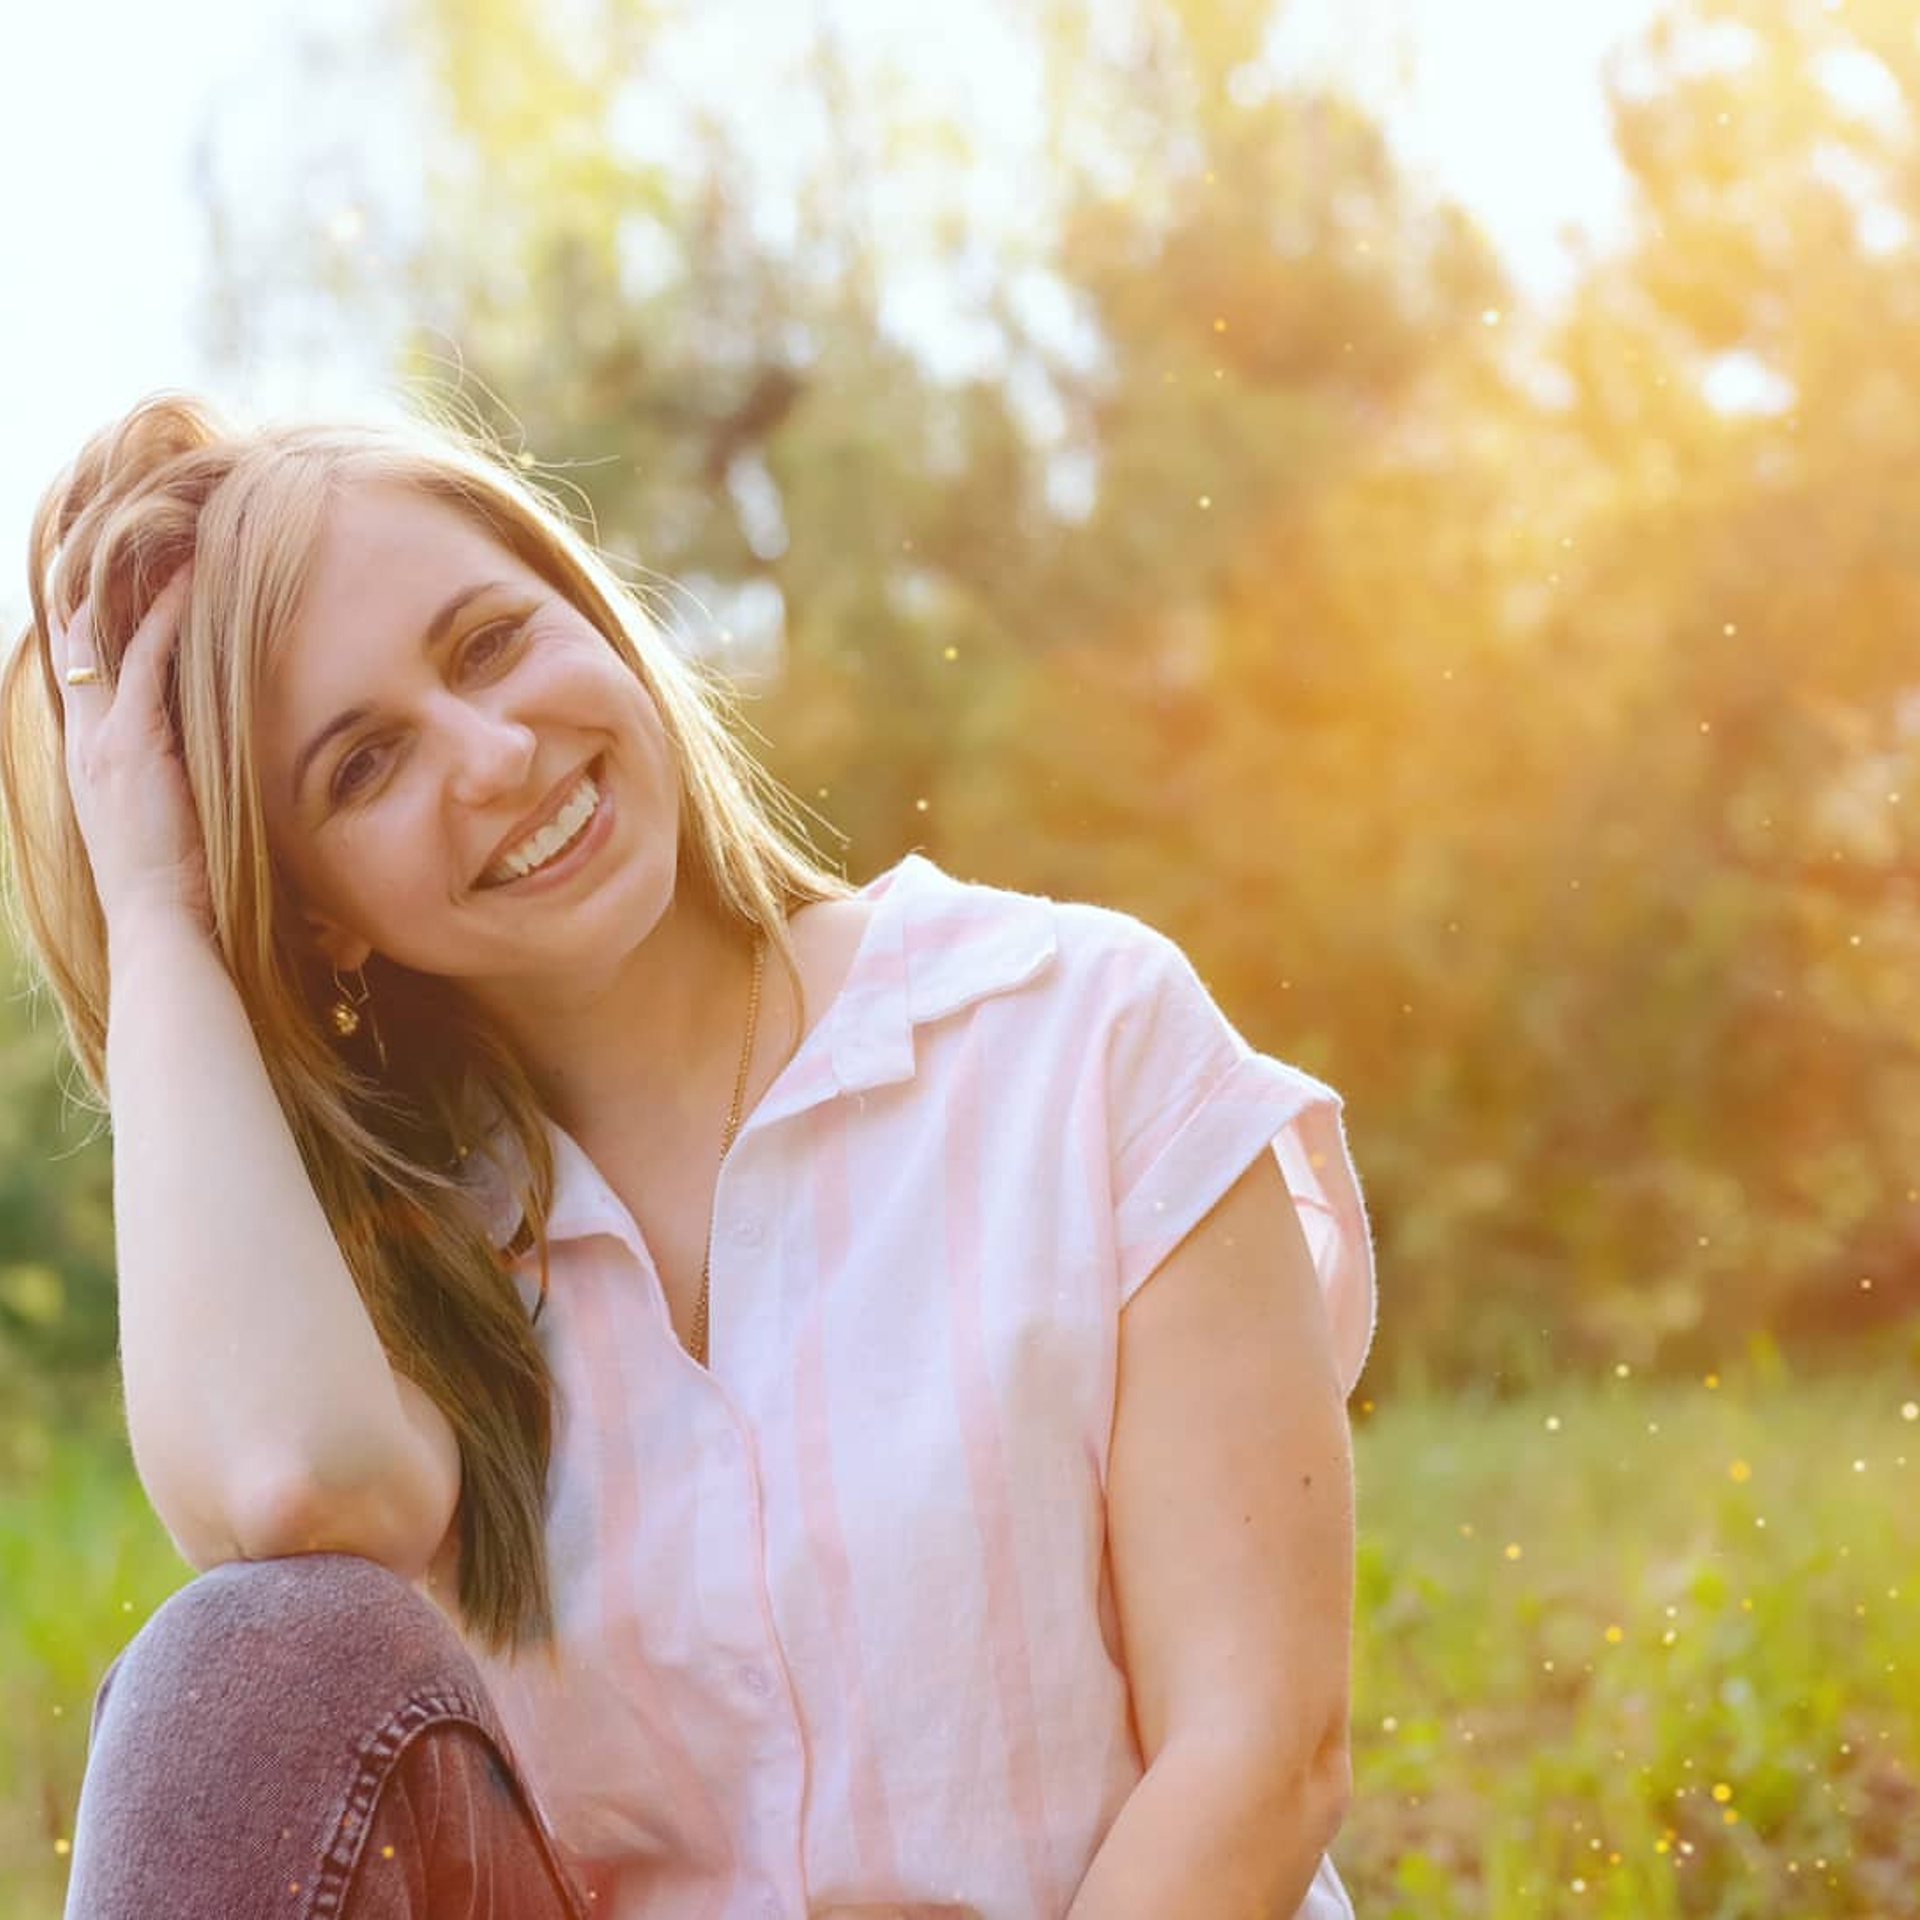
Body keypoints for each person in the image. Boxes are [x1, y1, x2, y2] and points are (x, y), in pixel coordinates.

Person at [3, 391, 1376, 1920]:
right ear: (317, 909)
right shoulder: (385, 1274)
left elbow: (1262, 1752)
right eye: (365, 765)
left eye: (491, 644)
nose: (494, 751)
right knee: (240, 1665)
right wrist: (154, 907)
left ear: (593, 618)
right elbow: (296, 1487)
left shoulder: (1079, 1032)